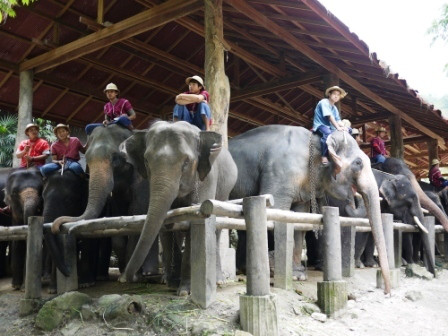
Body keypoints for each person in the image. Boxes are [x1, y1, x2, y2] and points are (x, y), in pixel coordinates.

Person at [312, 85, 348, 165]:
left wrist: (344, 126)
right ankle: (324, 156)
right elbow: (330, 117)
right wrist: (338, 127)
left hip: (330, 127)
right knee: (327, 133)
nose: (336, 96)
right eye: (334, 94)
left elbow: (338, 120)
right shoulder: (324, 102)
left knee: (348, 130)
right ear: (329, 94)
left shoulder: (334, 108)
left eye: (338, 95)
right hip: (320, 125)